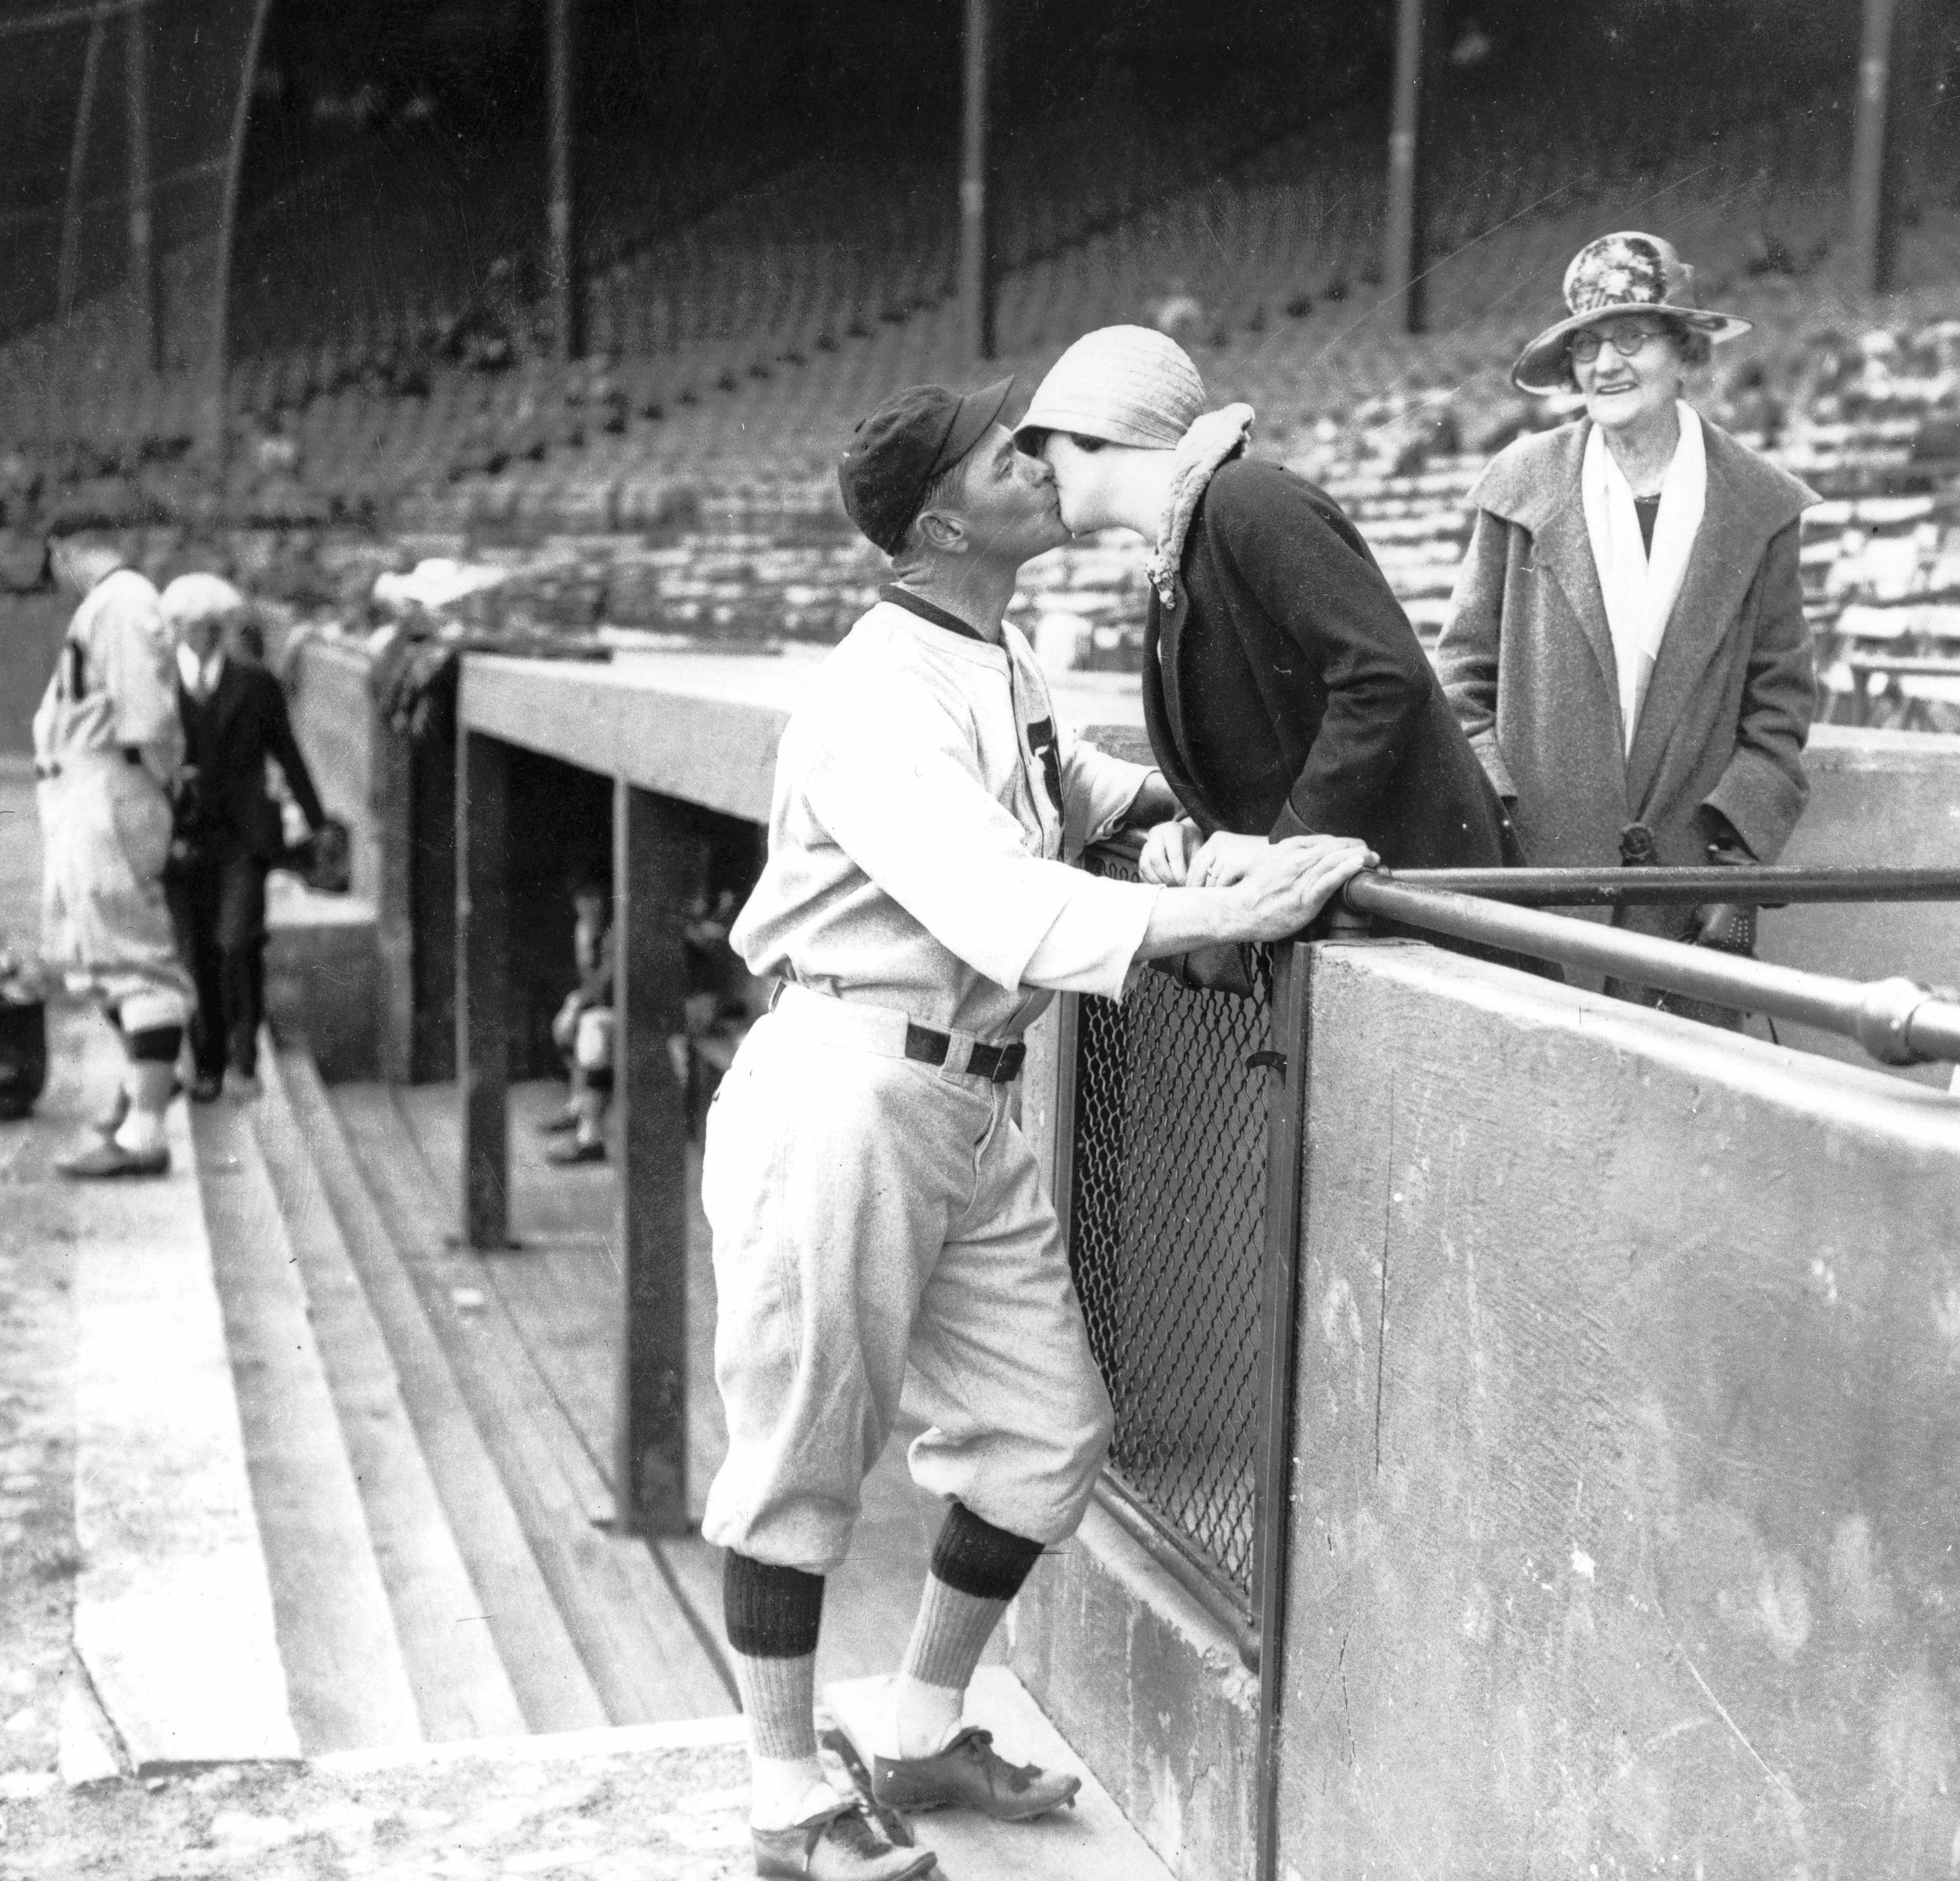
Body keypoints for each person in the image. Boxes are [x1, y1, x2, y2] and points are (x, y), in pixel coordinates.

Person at [704, 377, 1371, 1881]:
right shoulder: (877, 687)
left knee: (1043, 1437)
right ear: (943, 516)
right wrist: (1209, 909)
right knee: (801, 1460)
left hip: (959, 1093)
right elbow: (995, 900)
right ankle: (779, 1799)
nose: (1043, 462)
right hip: (846, 1083)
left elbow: (1061, 792)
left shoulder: (981, 650)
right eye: (1008, 455)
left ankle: (920, 1723)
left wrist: (1178, 822)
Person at [1435, 231, 1819, 1024]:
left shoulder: (1760, 504)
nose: (1604, 364)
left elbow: (1777, 709)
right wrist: (1500, 821)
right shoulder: (1516, 485)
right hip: (1534, 895)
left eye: (1632, 337)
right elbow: (1460, 684)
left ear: (1683, 351)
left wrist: (1736, 876)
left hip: (1684, 907)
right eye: (1585, 345)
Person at [1016, 325, 1513, 899]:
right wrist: (1196, 826)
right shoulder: (1182, 544)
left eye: (1041, 442)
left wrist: (1287, 843)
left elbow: (1384, 677)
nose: (1036, 467)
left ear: (1093, 430)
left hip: (1430, 910)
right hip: (1364, 914)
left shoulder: (1244, 498)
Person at [34, 522, 194, 1178]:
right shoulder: (107, 602)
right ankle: (150, 1082)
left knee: (132, 959)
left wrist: (144, 789)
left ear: (66, 550)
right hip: (83, 793)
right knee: (88, 956)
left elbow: (149, 717)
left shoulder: (125, 598)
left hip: (108, 790)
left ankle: (145, 1134)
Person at [160, 573, 331, 1101]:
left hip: (245, 838)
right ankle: (208, 1063)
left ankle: (245, 1059)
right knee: (197, 955)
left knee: (238, 943)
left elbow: (289, 753)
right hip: (183, 838)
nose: (202, 634)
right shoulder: (161, 688)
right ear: (177, 630)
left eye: (212, 625)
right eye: (191, 626)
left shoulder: (256, 685)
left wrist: (317, 820)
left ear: (223, 629)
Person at [540, 879, 615, 1165]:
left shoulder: (614, 932)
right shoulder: (584, 929)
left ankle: (590, 1139)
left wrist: (578, 1003)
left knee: (592, 1030)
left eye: (593, 898)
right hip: (607, 1005)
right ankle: (577, 1107)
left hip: (635, 1013)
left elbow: (607, 986)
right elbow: (590, 982)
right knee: (567, 1028)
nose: (588, 906)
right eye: (582, 900)